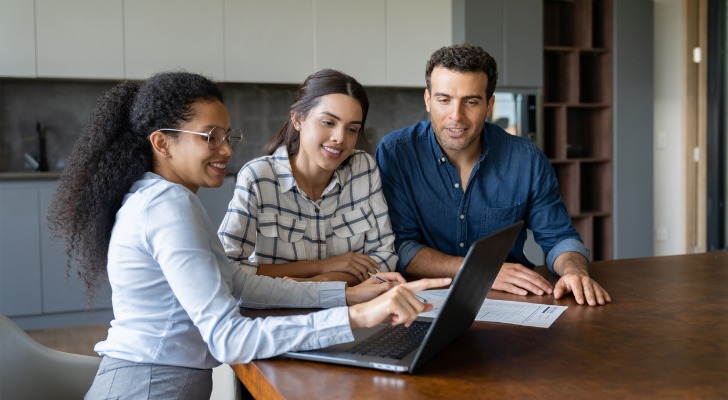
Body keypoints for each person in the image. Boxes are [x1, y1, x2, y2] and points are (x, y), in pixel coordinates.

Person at [47, 71, 450, 400]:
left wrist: (349, 295)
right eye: (210, 137)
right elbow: (227, 338)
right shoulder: (166, 208)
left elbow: (239, 283)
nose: (225, 150)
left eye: (226, 136)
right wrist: (357, 316)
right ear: (162, 143)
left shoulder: (166, 199)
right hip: (149, 387)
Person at [375, 44, 610, 307]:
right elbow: (402, 247)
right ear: (428, 100)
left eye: (471, 101)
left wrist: (574, 271)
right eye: (444, 100)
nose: (456, 116)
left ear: (489, 105)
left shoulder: (526, 160)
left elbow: (559, 237)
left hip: (508, 301)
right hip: (421, 301)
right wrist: (481, 270)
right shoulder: (396, 152)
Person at [218, 69, 396, 286]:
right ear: (298, 119)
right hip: (277, 313)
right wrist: (323, 266)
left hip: (350, 310)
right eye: (328, 122)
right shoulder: (258, 177)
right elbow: (227, 266)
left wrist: (325, 280)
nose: (340, 138)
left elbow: (385, 256)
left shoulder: (363, 169)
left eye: (352, 129)